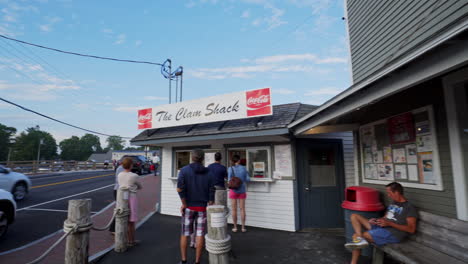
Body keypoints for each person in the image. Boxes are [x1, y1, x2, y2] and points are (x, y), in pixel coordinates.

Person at [345, 182, 418, 264]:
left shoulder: (409, 207)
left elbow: (411, 229)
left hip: (394, 233)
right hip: (383, 227)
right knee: (354, 216)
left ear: (396, 192)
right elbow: (385, 218)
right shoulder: (393, 203)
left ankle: (354, 260)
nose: (388, 195)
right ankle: (360, 238)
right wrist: (376, 220)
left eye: (389, 193)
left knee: (356, 236)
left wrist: (390, 224)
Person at [177, 149, 215, 264]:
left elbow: (180, 189)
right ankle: (197, 261)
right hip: (202, 208)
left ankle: (184, 261)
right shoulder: (209, 172)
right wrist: (210, 201)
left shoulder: (184, 170)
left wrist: (184, 204)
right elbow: (211, 190)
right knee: (200, 235)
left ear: (191, 157)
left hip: (188, 207)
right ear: (202, 158)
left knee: (185, 234)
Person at [118, 157, 142, 247]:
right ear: (131, 165)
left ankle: (126, 240)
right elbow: (140, 186)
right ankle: (131, 240)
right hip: (132, 197)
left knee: (124, 219)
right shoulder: (134, 176)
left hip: (122, 198)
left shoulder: (119, 174)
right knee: (132, 221)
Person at [228, 154, 250, 233]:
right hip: (242, 190)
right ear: (239, 160)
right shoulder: (244, 168)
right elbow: (248, 179)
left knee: (234, 209)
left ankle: (235, 227)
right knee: (242, 209)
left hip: (233, 191)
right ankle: (243, 227)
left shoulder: (230, 169)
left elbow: (229, 180)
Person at [109, 163, 125, 234]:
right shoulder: (121, 168)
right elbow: (120, 180)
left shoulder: (121, 168)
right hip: (119, 190)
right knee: (119, 209)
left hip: (120, 190)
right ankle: (113, 229)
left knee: (122, 209)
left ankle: (119, 226)